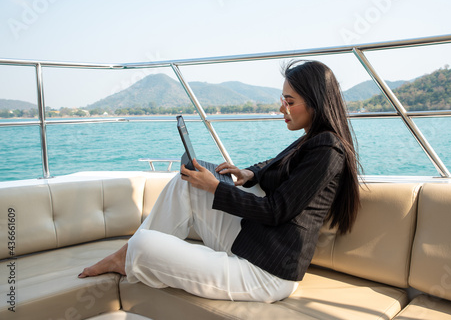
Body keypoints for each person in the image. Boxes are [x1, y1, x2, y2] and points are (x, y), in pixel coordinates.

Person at [78, 60, 361, 303]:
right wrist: (249, 173)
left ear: (316, 102)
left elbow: (277, 210)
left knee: (144, 246)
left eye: (289, 102)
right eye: (282, 99)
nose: (281, 108)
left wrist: (214, 187)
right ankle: (126, 256)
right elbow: (275, 167)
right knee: (186, 182)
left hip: (268, 272)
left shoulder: (327, 149)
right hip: (256, 243)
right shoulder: (311, 139)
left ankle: (135, 255)